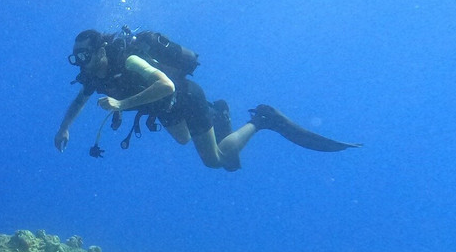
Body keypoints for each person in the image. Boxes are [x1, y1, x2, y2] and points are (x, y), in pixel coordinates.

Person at [54, 28, 359, 170]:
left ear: (102, 50)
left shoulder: (130, 61)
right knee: (184, 140)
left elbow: (166, 86)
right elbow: (80, 99)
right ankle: (219, 115)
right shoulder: (95, 74)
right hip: (164, 109)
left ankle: (261, 121)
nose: (82, 61)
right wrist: (64, 127)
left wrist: (120, 104)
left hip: (185, 99)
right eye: (77, 56)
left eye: (86, 54)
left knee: (216, 162)